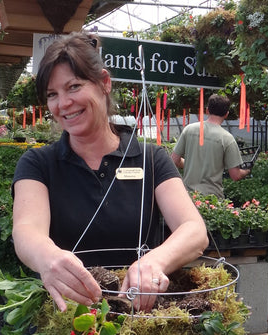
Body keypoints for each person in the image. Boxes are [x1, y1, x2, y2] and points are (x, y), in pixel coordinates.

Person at [11, 32, 208, 313]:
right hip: (70, 318)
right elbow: (26, 229)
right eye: (53, 94)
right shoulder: (38, 164)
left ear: (104, 83)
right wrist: (48, 257)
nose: (63, 103)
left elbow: (194, 230)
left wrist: (155, 261)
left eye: (74, 87)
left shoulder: (151, 159)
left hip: (140, 318)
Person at [171, 93, 251, 199]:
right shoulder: (227, 139)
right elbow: (235, 175)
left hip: (188, 197)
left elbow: (174, 161)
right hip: (212, 199)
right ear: (226, 114)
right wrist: (247, 170)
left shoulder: (189, 129)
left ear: (207, 110)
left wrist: (192, 164)